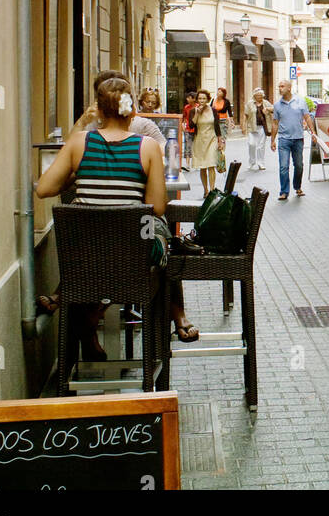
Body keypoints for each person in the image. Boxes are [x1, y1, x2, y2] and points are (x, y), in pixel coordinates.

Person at [37, 76, 199, 348]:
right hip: (133, 256)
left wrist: (75, 175)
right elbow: (157, 207)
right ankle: (160, 340)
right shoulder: (145, 146)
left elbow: (43, 189)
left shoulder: (79, 142)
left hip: (83, 257)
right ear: (133, 111)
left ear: (98, 111)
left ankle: (85, 315)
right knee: (162, 241)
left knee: (94, 257)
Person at [271, 78, 310, 201]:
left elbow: (307, 117)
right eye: (279, 86)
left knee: (299, 165)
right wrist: (272, 140)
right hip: (283, 140)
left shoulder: (300, 101)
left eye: (282, 86)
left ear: (289, 88)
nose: (280, 88)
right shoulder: (277, 105)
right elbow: (275, 123)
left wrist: (313, 132)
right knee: (283, 167)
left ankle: (297, 187)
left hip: (298, 138)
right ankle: (284, 191)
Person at [192, 88, 225, 196]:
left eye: (204, 98)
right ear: (197, 100)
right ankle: (205, 190)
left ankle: (212, 190)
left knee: (211, 164)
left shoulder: (213, 110)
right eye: (200, 98)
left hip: (212, 139)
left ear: (207, 100)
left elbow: (217, 126)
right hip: (199, 141)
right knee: (203, 166)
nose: (201, 100)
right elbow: (192, 125)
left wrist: (220, 140)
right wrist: (197, 113)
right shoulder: (193, 111)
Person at [242, 87, 273, 171]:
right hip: (252, 127)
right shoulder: (250, 104)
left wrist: (267, 109)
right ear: (254, 96)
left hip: (263, 127)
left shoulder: (266, 103)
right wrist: (244, 125)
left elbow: (274, 109)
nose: (259, 97)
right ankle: (252, 162)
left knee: (261, 146)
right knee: (251, 144)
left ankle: (261, 163)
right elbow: (246, 114)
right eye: (257, 95)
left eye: (260, 95)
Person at [181, 91, 197, 170]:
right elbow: (183, 117)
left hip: (197, 129)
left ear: (193, 99)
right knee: (188, 146)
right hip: (188, 128)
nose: (187, 99)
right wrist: (183, 125)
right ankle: (187, 164)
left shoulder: (198, 107)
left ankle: (196, 163)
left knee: (196, 146)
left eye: (189, 98)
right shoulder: (186, 107)